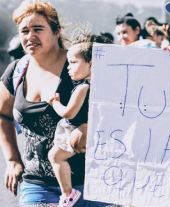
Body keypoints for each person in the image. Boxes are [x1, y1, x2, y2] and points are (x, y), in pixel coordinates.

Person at [0, 1, 111, 206]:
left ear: (56, 31)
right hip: (36, 185)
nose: (30, 36)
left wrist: (87, 125)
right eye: (24, 30)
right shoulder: (16, 71)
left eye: (38, 29)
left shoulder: (79, 67)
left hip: (90, 185)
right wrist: (13, 159)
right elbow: (3, 114)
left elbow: (120, 105)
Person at [47, 34, 105, 207]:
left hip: (73, 131)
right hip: (84, 132)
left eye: (73, 62)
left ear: (92, 65)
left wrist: (55, 103)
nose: (68, 67)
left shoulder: (83, 87)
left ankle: (68, 193)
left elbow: (68, 113)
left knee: (55, 156)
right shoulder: (99, 86)